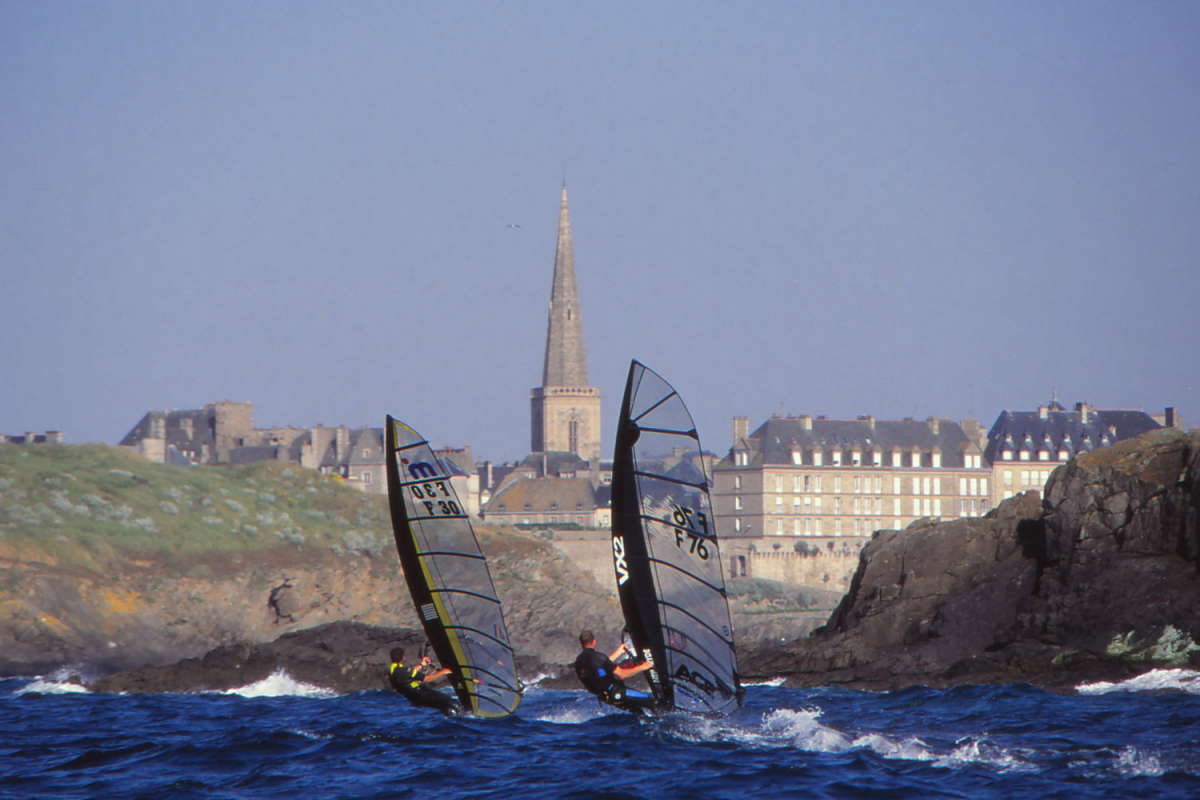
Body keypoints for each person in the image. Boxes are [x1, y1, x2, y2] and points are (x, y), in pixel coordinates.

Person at [574, 629, 658, 713]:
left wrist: (619, 651)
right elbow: (622, 674)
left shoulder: (579, 661)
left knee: (638, 712)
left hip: (606, 698)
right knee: (652, 702)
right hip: (618, 692)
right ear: (594, 641)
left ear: (580, 644)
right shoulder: (599, 657)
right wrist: (643, 667)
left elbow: (602, 664)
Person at [388, 647, 465, 716]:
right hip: (424, 695)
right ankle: (467, 717)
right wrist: (443, 672)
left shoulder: (392, 671)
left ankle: (451, 719)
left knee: (445, 707)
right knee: (452, 702)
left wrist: (421, 664)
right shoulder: (404, 671)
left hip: (415, 699)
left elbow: (409, 673)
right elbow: (427, 679)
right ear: (403, 658)